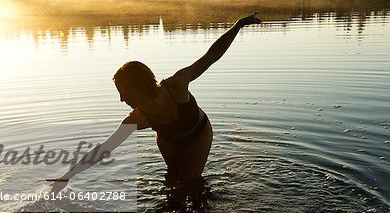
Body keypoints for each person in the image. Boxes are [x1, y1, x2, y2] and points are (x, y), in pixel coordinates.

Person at [50, 12, 261, 196]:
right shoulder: (137, 118)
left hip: (198, 133)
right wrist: (66, 176)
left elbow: (211, 56)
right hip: (168, 140)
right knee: (173, 187)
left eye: (124, 93)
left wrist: (239, 25)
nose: (122, 99)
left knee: (190, 183)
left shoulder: (176, 85)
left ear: (138, 87)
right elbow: (104, 148)